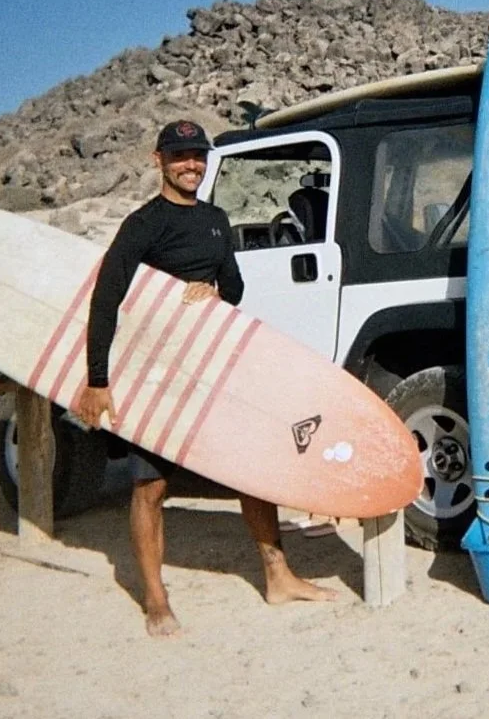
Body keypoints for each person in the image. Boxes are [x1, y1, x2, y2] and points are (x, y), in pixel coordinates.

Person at [73, 119, 336, 637]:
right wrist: (97, 380)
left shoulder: (216, 218)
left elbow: (234, 289)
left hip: (208, 365)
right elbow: (106, 300)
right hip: (154, 373)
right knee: (150, 486)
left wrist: (214, 292)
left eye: (197, 156)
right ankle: (155, 598)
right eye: (179, 157)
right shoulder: (143, 224)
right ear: (158, 161)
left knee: (251, 472)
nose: (190, 165)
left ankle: (279, 578)